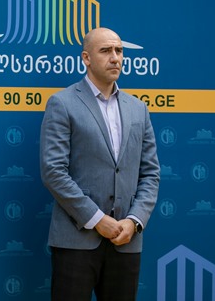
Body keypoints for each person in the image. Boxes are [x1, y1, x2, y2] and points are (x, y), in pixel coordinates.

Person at [39, 27, 161, 301]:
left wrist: (134, 221)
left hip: (126, 241)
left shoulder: (138, 108)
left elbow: (150, 174)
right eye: (106, 51)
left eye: (119, 51)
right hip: (76, 241)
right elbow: (53, 171)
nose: (115, 57)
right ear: (86, 58)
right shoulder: (62, 103)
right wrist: (96, 219)